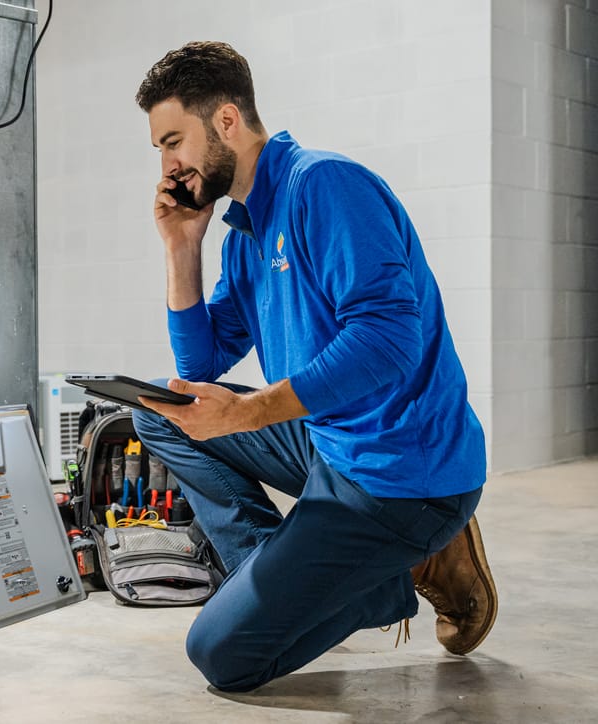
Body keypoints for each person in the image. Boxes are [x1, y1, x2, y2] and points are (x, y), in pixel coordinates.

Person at [131, 41, 497, 692]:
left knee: (222, 655)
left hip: (403, 480)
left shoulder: (323, 185)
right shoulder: (244, 229)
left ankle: (405, 570)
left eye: (172, 140)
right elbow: (201, 363)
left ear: (225, 122)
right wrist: (182, 246)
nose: (167, 164)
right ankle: (283, 573)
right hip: (330, 444)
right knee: (162, 409)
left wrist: (246, 412)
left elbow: (388, 341)